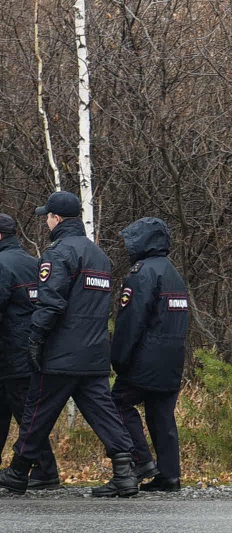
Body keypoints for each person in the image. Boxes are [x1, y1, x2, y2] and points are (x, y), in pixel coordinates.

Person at [0, 192, 141, 498]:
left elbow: (51, 303)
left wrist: (35, 339)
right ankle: (126, 473)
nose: (46, 221)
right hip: (93, 352)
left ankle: (18, 472)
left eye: (47, 217)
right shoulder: (99, 256)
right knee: (104, 413)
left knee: (37, 412)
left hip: (60, 353)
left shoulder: (58, 254)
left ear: (58, 219)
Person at [110, 217, 190, 492]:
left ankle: (141, 459)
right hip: (173, 357)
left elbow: (131, 321)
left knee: (116, 404)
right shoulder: (173, 273)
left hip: (145, 359)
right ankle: (169, 475)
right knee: (162, 416)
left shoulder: (142, 273)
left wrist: (118, 357)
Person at [0, 213, 61, 489]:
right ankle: (44, 470)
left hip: (10, 352)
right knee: (19, 411)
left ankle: (46, 471)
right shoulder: (34, 263)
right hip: (31, 349)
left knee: (25, 414)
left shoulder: (1, 265)